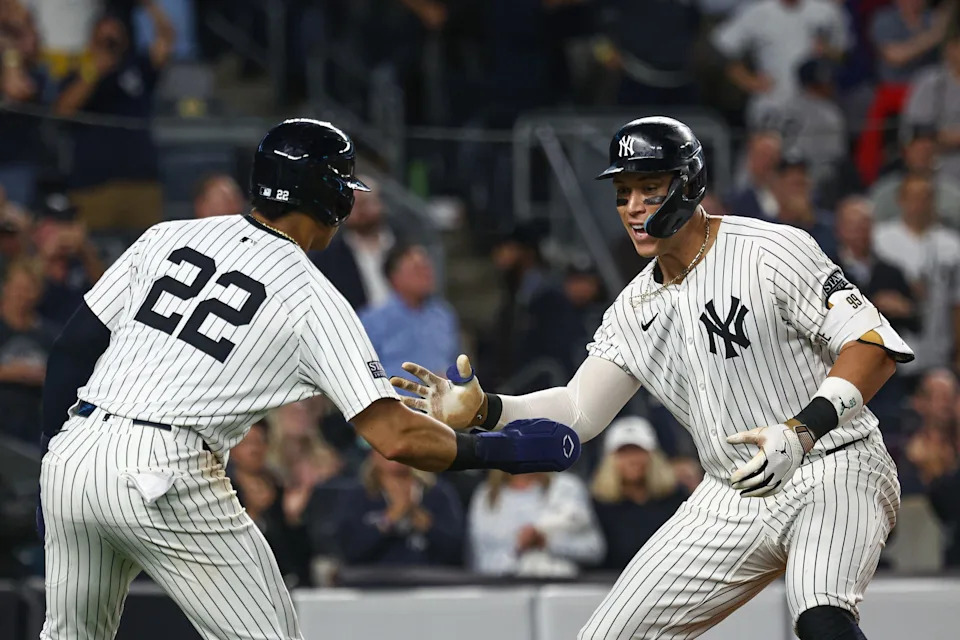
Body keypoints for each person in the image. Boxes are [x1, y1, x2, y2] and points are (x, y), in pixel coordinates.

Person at [36, 119, 580, 640]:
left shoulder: (166, 236)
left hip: (74, 452)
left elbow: (71, 351)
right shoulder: (310, 295)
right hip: (166, 470)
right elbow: (395, 436)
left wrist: (53, 458)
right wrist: (498, 451)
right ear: (330, 196)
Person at [396, 116, 914, 639]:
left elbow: (873, 346)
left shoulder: (770, 249)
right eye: (623, 193)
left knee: (821, 616)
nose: (633, 207)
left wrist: (802, 430)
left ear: (689, 185)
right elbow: (579, 410)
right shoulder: (633, 306)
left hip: (834, 463)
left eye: (649, 188)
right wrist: (487, 411)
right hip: (732, 491)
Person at [54, 2, 175, 231]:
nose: (110, 43)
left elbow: (166, 41)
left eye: (114, 39)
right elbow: (63, 110)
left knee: (150, 257)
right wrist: (94, 71)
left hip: (142, 183)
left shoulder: (137, 67)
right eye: (104, 39)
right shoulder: (79, 72)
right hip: (94, 186)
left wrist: (148, 5)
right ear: (92, 40)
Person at [873, 172, 960, 376]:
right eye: (913, 196)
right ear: (900, 200)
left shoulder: (952, 244)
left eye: (926, 196)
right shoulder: (880, 239)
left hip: (939, 348)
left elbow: (957, 302)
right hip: (892, 349)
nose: (920, 203)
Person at [335, 447, 464, 567]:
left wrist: (428, 527)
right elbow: (350, 551)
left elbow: (457, 549)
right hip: (374, 582)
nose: (395, 452)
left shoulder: (438, 494)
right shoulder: (358, 496)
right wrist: (387, 520)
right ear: (373, 454)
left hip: (429, 581)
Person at [590, 417, 686, 571]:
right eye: (624, 453)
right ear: (610, 460)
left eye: (639, 451)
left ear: (653, 456)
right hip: (611, 583)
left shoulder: (676, 498)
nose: (632, 460)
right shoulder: (598, 504)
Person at [467, 469, 604, 577]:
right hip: (504, 593)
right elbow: (478, 560)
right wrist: (518, 548)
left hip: (561, 589)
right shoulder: (486, 496)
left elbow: (594, 550)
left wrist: (547, 543)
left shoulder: (567, 488)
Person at [360, 242, 460, 383]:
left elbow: (456, 361)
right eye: (417, 269)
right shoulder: (372, 320)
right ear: (394, 277)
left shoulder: (443, 315)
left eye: (427, 267)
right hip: (395, 400)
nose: (426, 274)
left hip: (444, 400)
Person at [309, 174, 395, 310]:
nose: (360, 210)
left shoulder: (405, 247)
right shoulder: (327, 258)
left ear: (380, 203)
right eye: (353, 204)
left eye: (366, 202)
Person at [0, 259, 56, 443]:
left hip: (32, 425)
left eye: (29, 289)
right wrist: (12, 372)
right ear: (6, 287)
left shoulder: (49, 334)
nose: (22, 296)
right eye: (18, 288)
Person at [869, 125, 960, 229]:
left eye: (927, 149)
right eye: (917, 149)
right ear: (905, 152)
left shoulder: (953, 194)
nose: (922, 154)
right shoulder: (884, 193)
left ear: (936, 152)